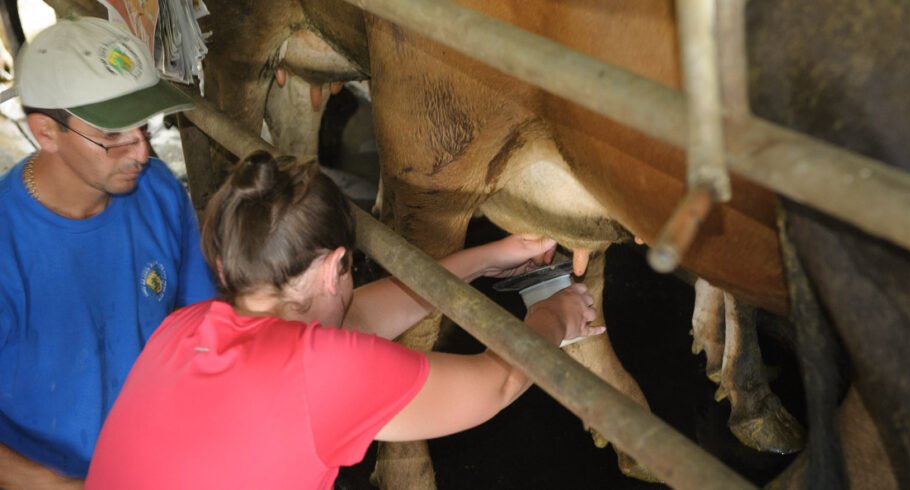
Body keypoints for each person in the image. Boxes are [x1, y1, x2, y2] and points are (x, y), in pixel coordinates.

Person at [85, 151, 602, 488]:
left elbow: (356, 320)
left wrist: (494, 255)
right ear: (336, 266)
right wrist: (555, 315)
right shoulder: (322, 372)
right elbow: (498, 383)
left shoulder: (189, 325)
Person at [0, 17, 217, 487]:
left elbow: (203, 323)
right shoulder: (7, 245)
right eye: (112, 135)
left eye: (142, 126)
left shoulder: (158, 192)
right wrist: (50, 483)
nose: (140, 150)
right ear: (46, 132)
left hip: (154, 461)